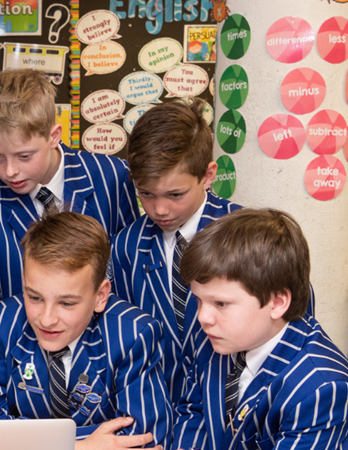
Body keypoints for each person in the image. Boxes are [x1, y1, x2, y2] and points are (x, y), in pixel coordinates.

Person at [0, 212, 169, 448]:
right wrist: (79, 446)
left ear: (100, 296)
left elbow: (144, 440)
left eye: (67, 303)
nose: (47, 319)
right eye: (35, 297)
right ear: (24, 280)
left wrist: (18, 436)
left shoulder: (133, 334)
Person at [0, 69, 138, 318]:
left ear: (53, 136)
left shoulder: (110, 177)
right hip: (19, 343)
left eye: (24, 156)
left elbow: (130, 265)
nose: (10, 171)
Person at [173, 209, 348, 449]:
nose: (203, 317)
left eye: (221, 303)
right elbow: (193, 415)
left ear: (278, 302)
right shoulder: (217, 339)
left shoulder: (321, 390)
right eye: (199, 300)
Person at [109, 99, 245, 419]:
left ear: (208, 176)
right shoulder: (126, 246)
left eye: (175, 195)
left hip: (228, 416)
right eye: (146, 193)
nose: (159, 210)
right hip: (155, 415)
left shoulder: (248, 237)